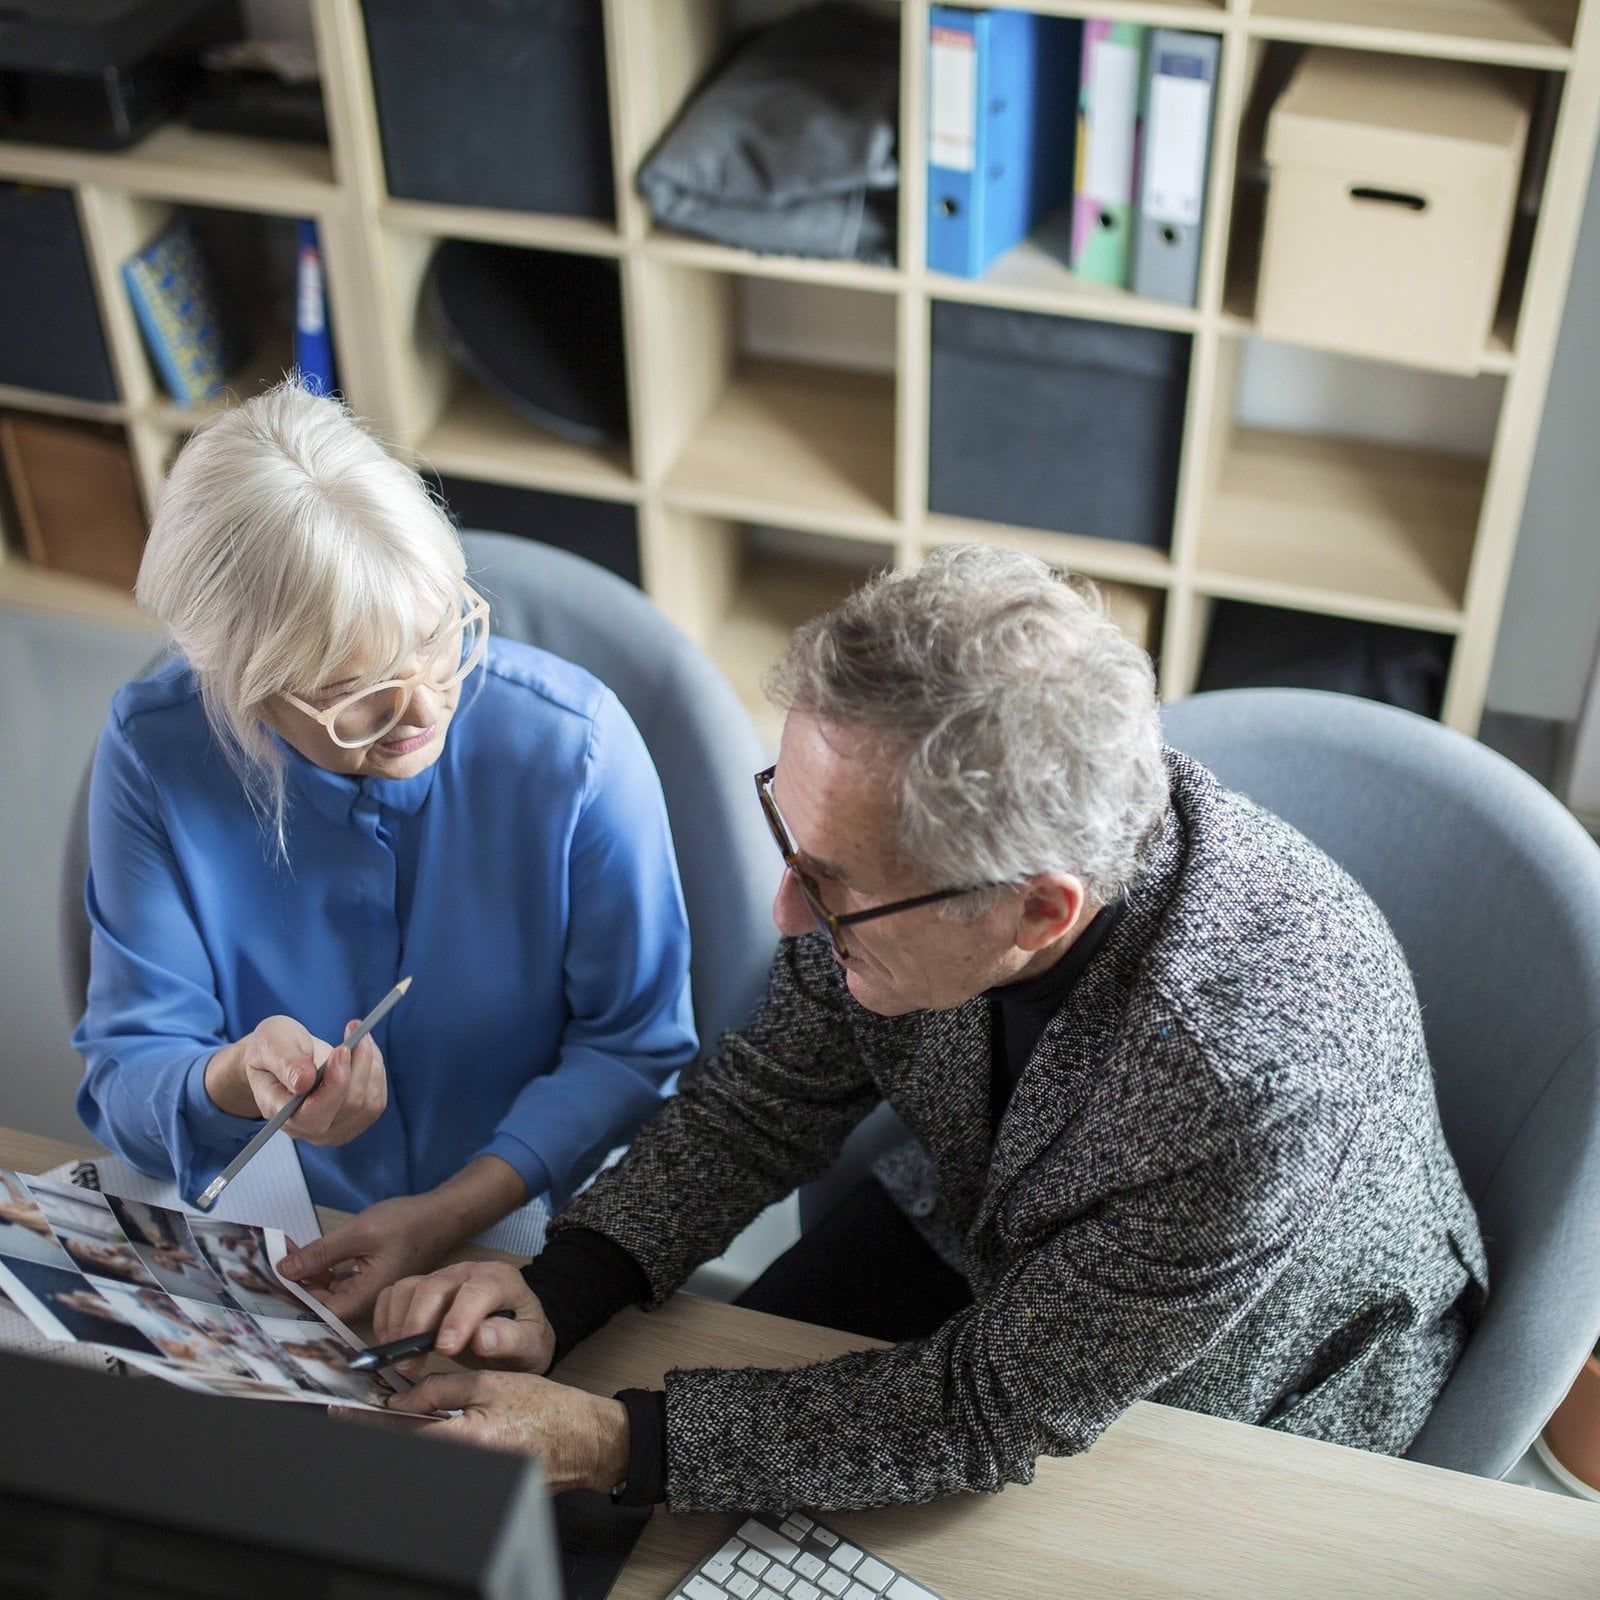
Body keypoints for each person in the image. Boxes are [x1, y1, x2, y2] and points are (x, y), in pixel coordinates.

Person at [365, 545, 1487, 1510]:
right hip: (978, 1209)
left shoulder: (1247, 1082)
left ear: (1037, 908)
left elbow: (988, 1407)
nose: (785, 913)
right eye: (790, 842)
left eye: (832, 887)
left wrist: (622, 1441)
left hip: (1240, 1369)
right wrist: (568, 1281)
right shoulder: (884, 843)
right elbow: (764, 1100)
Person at [73, 381, 697, 1320]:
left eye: (439, 632)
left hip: (513, 1198)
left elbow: (635, 1044)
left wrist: (446, 1216)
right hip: (258, 1192)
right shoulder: (156, 751)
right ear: (241, 685)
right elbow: (127, 1071)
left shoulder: (575, 749)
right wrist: (236, 1079)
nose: (423, 708)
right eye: (354, 687)